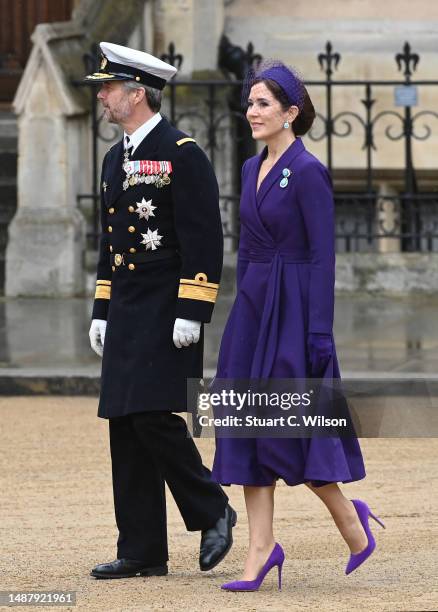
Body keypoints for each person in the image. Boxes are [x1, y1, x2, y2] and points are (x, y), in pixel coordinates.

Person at [211, 61, 385, 592]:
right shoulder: (247, 169)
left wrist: (318, 331)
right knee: (242, 424)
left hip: (295, 314)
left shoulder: (309, 172)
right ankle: (261, 549)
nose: (252, 112)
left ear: (291, 113)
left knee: (293, 428)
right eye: (250, 103)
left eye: (264, 103)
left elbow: (323, 257)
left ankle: (351, 521)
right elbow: (246, 250)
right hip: (253, 311)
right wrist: (243, 311)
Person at [84, 42, 236, 579]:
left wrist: (193, 309)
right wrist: (101, 308)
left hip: (168, 308)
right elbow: (109, 243)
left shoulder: (183, 151)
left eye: (108, 87)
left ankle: (212, 505)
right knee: (124, 425)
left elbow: (204, 239)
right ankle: (143, 549)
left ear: (137, 93)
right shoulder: (113, 157)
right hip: (126, 308)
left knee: (152, 415)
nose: (101, 96)